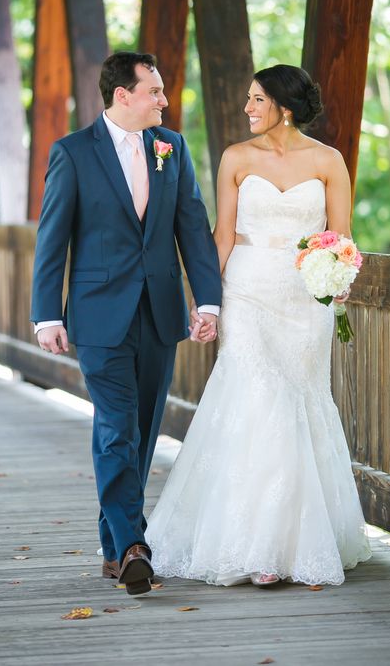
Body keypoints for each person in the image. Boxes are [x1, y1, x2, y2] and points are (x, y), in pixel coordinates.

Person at [146, 64, 371, 587]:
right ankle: (256, 547)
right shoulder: (236, 158)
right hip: (245, 289)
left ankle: (297, 542)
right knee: (257, 397)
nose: (247, 108)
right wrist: (206, 303)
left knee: (300, 400)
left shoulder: (328, 161)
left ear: (284, 107)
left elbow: (340, 239)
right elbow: (222, 235)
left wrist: (335, 279)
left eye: (256, 100)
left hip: (303, 296)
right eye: (248, 99)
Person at [30, 51, 222, 596]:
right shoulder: (72, 153)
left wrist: (207, 301)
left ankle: (115, 546)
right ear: (123, 96)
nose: (164, 100)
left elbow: (192, 227)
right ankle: (135, 544)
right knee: (117, 427)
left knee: (141, 430)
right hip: (97, 315)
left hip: (159, 314)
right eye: (154, 91)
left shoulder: (172, 148)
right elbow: (53, 237)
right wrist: (47, 313)